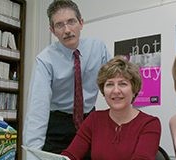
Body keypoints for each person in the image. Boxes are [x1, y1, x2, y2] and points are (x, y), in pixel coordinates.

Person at [23, 0, 111, 159]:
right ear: (52, 30)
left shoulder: (98, 48)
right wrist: (33, 154)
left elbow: (114, 84)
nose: (67, 30)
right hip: (58, 126)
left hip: (89, 122)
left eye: (71, 22)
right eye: (59, 25)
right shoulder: (45, 60)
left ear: (81, 23)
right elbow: (38, 109)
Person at [61, 56, 161, 160]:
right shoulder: (94, 119)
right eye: (109, 84)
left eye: (122, 84)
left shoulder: (149, 124)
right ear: (103, 91)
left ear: (134, 89)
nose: (116, 91)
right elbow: (71, 155)